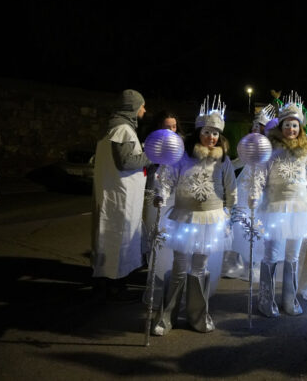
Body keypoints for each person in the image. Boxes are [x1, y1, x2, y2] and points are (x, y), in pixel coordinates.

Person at [152, 96, 237, 335]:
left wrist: (231, 213)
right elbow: (167, 178)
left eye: (216, 134)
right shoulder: (182, 156)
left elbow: (231, 188)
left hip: (211, 220)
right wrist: (161, 194)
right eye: (207, 132)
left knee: (199, 267)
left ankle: (197, 316)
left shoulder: (223, 160)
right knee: (179, 265)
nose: (212, 138)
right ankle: (167, 316)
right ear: (199, 131)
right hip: (185, 218)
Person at [250, 97, 307, 317]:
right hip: (275, 209)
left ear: (299, 128)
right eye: (287, 124)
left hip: (300, 211)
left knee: (293, 256)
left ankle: (289, 299)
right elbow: (260, 176)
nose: (291, 129)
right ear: (280, 127)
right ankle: (266, 298)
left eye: (294, 125)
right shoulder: (270, 150)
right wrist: (254, 195)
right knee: (272, 254)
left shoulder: (306, 153)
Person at [91, 89, 151, 300]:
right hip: (120, 198)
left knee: (112, 237)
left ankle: (108, 280)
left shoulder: (115, 128)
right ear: (132, 107)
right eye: (141, 105)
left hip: (117, 195)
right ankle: (113, 283)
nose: (144, 109)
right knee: (118, 239)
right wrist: (150, 156)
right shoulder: (123, 129)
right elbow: (125, 162)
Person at [223, 104, 277, 279]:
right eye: (254, 124)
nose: (254, 128)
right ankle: (242, 262)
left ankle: (255, 263)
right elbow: (240, 161)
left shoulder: (270, 146)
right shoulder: (250, 143)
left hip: (261, 186)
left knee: (259, 224)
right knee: (241, 222)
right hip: (245, 184)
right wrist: (224, 165)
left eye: (258, 125)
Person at [141, 110, 183, 308]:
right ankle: (155, 283)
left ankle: (172, 284)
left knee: (174, 243)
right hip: (155, 198)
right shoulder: (152, 145)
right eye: (167, 127)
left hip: (175, 200)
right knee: (156, 240)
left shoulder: (182, 147)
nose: (171, 131)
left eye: (174, 127)